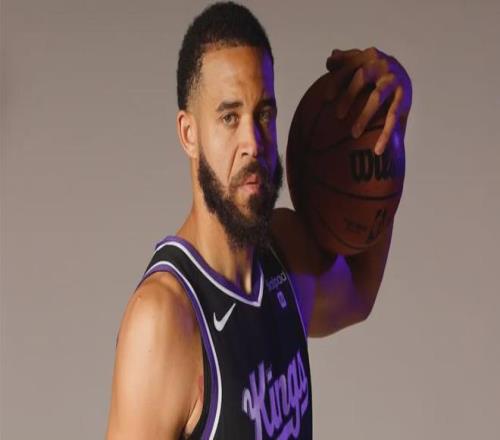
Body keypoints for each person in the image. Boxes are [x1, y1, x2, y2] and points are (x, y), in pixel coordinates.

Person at [105, 2, 412, 439]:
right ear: (189, 134)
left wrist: (390, 124)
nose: (253, 141)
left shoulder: (284, 255)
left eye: (263, 113)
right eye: (229, 117)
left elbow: (358, 293)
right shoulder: (164, 319)